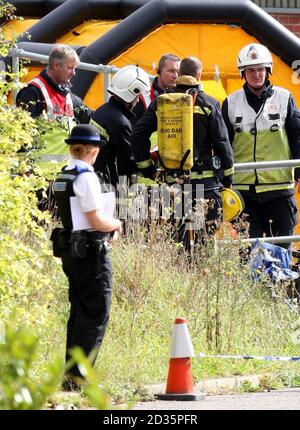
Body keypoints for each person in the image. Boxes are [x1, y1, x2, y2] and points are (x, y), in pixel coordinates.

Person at [132, 56, 234, 247]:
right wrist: (227, 180)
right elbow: (222, 143)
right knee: (203, 241)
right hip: (206, 186)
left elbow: (138, 134)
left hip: (173, 186)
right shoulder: (209, 103)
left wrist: (147, 169)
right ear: (199, 75)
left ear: (179, 75)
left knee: (177, 241)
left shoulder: (161, 103)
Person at [51, 124, 122, 390]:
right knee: (96, 312)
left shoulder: (64, 174)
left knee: (79, 312)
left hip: (71, 248)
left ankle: (71, 377)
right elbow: (95, 218)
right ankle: (78, 379)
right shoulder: (86, 177)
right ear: (93, 151)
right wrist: (115, 224)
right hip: (91, 249)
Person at [222, 43, 300, 248]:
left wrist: (299, 173)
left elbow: (298, 138)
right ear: (243, 73)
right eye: (251, 70)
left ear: (268, 71)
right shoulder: (230, 103)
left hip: (280, 189)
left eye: (260, 69)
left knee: (281, 248)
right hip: (244, 191)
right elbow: (224, 144)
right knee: (248, 251)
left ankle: (281, 282)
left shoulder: (285, 98)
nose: (256, 74)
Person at [17, 43, 93, 175]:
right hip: (39, 178)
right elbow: (22, 135)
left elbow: (92, 118)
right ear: (56, 65)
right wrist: (25, 172)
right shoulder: (33, 92)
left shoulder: (69, 97)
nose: (74, 73)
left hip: (64, 175)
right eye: (70, 68)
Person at [90, 65, 150, 187]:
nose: (138, 101)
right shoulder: (120, 122)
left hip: (96, 176)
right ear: (132, 94)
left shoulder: (102, 111)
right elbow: (129, 161)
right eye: (138, 96)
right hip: (109, 183)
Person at [131, 53, 180, 125]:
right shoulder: (142, 97)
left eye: (178, 72)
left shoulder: (183, 97)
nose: (176, 76)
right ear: (158, 71)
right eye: (171, 71)